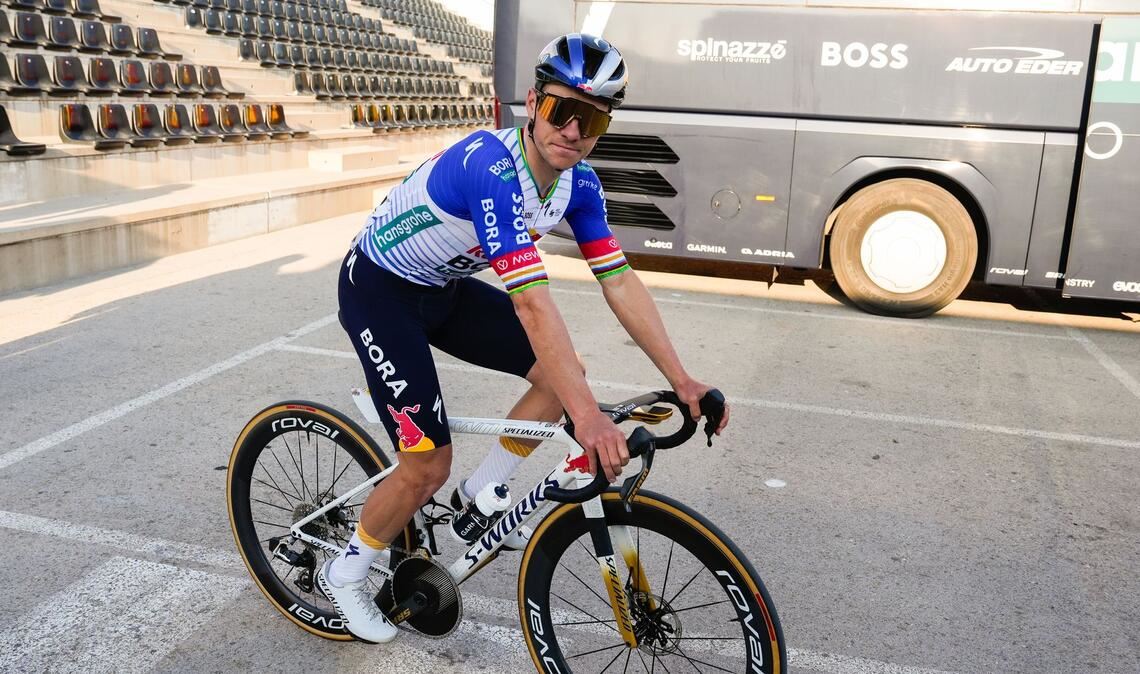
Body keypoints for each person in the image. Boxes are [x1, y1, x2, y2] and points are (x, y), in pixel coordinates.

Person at [317, 32, 730, 643]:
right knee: (426, 464)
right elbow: (534, 308)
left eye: (592, 120)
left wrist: (683, 379)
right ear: (534, 103)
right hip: (382, 290)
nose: (573, 130)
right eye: (562, 110)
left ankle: (482, 492)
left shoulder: (579, 185)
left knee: (565, 381)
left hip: (445, 288)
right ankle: (344, 573)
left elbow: (620, 284)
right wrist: (589, 421)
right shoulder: (491, 166)